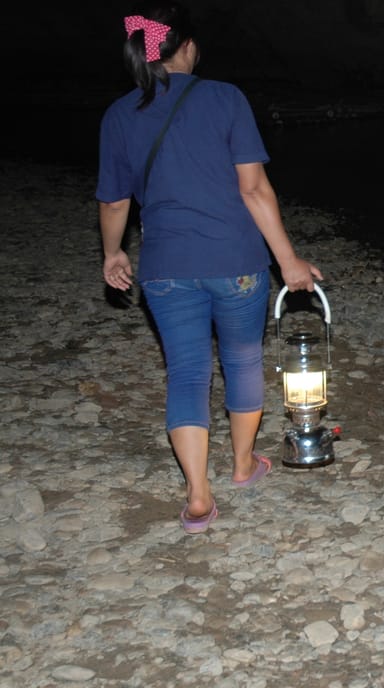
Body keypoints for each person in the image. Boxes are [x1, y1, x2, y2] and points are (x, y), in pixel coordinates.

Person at [97, 1, 323, 534]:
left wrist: (113, 252)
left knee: (187, 372)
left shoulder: (119, 114)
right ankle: (243, 466)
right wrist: (288, 260)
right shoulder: (225, 98)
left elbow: (114, 201)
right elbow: (254, 188)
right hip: (236, 262)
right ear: (189, 46)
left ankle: (198, 495)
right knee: (242, 360)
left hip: (165, 266)